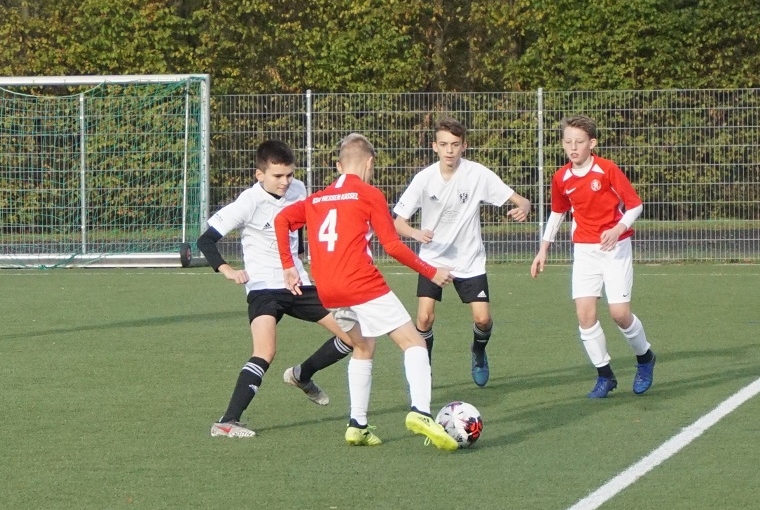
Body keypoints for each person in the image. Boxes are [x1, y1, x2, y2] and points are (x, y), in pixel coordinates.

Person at [274, 132, 458, 451]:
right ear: (370, 163)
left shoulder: (316, 199)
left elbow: (281, 220)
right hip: (360, 283)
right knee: (413, 342)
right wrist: (431, 271)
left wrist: (288, 265)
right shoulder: (369, 194)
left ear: (338, 166)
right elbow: (393, 246)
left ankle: (357, 425)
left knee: (362, 346)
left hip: (329, 290)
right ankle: (421, 412)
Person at [198, 140, 355, 438]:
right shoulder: (248, 202)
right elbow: (205, 240)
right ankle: (227, 422)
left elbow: (301, 229)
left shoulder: (299, 190)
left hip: (297, 282)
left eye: (290, 175)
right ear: (260, 175)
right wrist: (227, 270)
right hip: (263, 288)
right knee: (265, 351)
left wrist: (307, 260)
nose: (285, 182)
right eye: (278, 176)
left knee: (353, 336)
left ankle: (302, 375)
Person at [393, 117, 531, 387]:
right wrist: (416, 234)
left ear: (464, 146)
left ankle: (478, 352)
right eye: (444, 144)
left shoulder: (477, 174)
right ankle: (424, 367)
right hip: (433, 260)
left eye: (455, 144)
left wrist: (523, 207)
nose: (449, 150)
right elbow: (398, 223)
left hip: (469, 260)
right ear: (434, 146)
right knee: (424, 317)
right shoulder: (424, 179)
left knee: (483, 319)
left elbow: (521, 200)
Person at [530, 115, 656, 398]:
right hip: (585, 252)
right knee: (584, 315)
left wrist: (618, 228)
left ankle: (645, 357)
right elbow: (558, 212)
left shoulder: (607, 169)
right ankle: (605, 375)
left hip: (615, 249)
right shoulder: (561, 178)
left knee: (619, 314)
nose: (573, 147)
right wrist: (543, 249)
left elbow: (635, 205)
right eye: (568, 142)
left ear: (592, 143)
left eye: (579, 142)